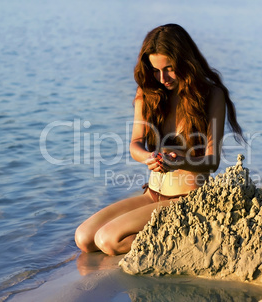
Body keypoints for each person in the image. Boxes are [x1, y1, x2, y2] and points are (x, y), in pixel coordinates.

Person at [75, 24, 243, 256]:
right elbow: (135, 144)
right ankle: (164, 233)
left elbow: (212, 161)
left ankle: (186, 240)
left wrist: (179, 162)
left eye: (169, 68)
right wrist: (149, 157)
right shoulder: (148, 93)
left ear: (186, 62)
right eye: (155, 70)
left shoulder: (212, 95)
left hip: (187, 198)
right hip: (152, 193)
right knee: (84, 238)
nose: (162, 77)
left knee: (108, 241)